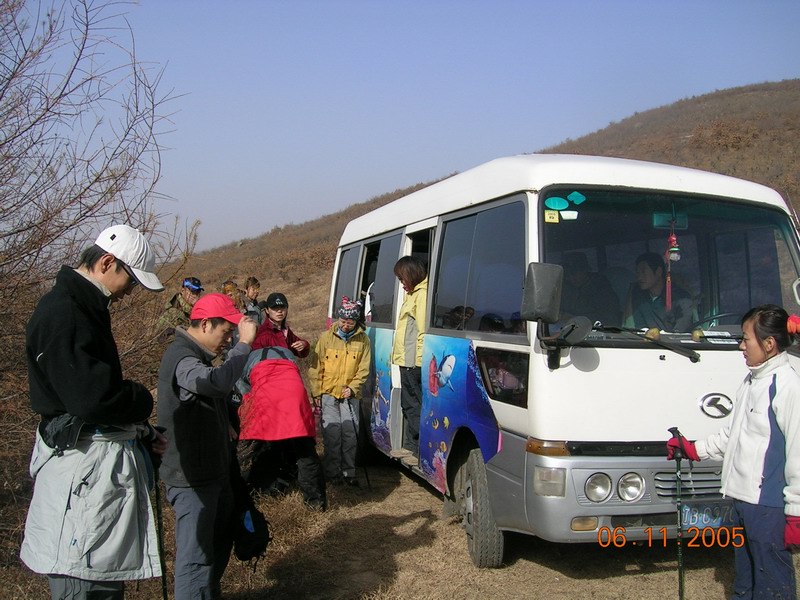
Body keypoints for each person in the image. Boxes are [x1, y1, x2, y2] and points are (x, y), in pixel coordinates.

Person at [20, 224, 167, 599]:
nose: (130, 291)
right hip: (80, 477)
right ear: (106, 262)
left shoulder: (82, 307)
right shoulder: (66, 313)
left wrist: (141, 430)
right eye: (131, 280)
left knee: (99, 579)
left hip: (88, 473)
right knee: (83, 582)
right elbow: (93, 399)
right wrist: (140, 398)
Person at [666, 304, 800, 599]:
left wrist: (796, 514)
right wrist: (693, 449)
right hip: (741, 501)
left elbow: (798, 455)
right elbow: (734, 435)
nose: (741, 346)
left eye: (746, 339)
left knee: (772, 587)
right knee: (744, 584)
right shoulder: (752, 380)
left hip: (768, 508)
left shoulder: (788, 386)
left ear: (769, 343)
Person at [157, 293, 257, 600]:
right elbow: (213, 383)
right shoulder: (183, 358)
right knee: (196, 559)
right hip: (192, 480)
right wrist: (244, 345)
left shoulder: (197, 357)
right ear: (204, 325)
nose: (228, 341)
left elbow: (204, 396)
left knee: (216, 545)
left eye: (232, 335)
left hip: (212, 472)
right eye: (225, 333)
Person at [236, 345, 327, 508]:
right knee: (305, 452)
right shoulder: (287, 355)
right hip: (294, 396)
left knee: (258, 449)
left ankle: (250, 493)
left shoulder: (246, 359)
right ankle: (315, 502)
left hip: (265, 398)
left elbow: (244, 392)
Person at [308, 297, 372, 487]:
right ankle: (333, 473)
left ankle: (349, 472)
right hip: (328, 393)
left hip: (350, 395)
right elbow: (315, 367)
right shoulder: (326, 337)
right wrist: (316, 393)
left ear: (356, 322)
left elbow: (364, 369)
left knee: (350, 434)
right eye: (343, 321)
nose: (345, 325)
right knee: (332, 433)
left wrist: (352, 388)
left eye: (349, 322)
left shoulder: (363, 340)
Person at [390, 256, 428, 464]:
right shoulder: (412, 294)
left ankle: (418, 451)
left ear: (411, 274)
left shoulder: (422, 295)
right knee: (408, 404)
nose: (401, 283)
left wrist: (419, 361)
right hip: (405, 360)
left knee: (414, 405)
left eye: (401, 278)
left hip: (413, 362)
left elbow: (422, 331)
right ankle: (410, 446)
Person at [624, 251, 693, 332]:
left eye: (643, 272)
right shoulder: (638, 294)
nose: (639, 277)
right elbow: (638, 329)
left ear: (658, 272)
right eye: (638, 273)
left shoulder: (681, 298)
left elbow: (681, 332)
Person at [560, 252, 621, 326]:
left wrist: (575, 319)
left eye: (574, 273)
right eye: (567, 275)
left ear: (585, 270)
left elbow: (609, 319)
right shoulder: (566, 289)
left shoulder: (602, 290)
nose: (570, 278)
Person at [251, 292, 310, 358]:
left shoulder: (285, 330)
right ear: (267, 310)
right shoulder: (263, 333)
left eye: (282, 307)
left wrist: (304, 345)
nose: (279, 311)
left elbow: (301, 352)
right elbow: (256, 359)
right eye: (274, 307)